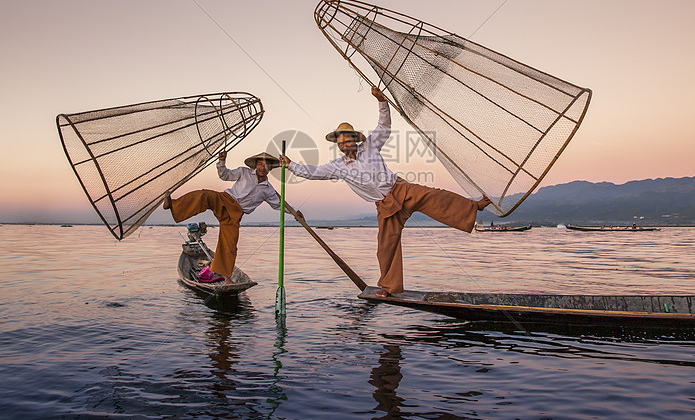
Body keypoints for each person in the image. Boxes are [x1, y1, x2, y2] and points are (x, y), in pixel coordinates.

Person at [279, 86, 491, 298]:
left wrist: (381, 101)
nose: (344, 146)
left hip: (400, 189)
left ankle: (475, 206)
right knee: (386, 247)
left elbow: (384, 126)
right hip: (384, 206)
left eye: (347, 141)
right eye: (341, 143)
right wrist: (291, 165)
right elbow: (313, 172)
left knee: (435, 196)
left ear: (355, 139)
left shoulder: (370, 146)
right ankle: (389, 288)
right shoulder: (338, 166)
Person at [163, 151, 299, 284]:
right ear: (256, 165)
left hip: (236, 214)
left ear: (270, 168)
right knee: (204, 195)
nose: (263, 168)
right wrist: (222, 162)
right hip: (225, 200)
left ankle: (227, 278)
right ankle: (173, 205)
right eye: (260, 164)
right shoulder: (244, 172)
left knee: (230, 246)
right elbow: (225, 175)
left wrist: (294, 213)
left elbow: (279, 205)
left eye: (266, 165)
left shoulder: (268, 189)